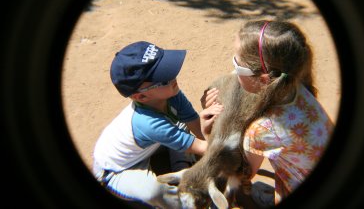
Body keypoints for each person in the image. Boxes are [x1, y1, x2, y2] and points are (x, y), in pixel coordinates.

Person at [203, 20, 334, 206]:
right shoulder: (298, 85)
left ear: (264, 79)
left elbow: (242, 175)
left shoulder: (262, 130)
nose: (233, 71)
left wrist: (208, 132)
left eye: (237, 64)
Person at [92, 41, 223, 208]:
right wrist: (230, 149)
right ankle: (187, 202)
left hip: (148, 146)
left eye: (169, 70)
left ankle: (181, 166)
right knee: (152, 191)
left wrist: (205, 135)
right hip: (115, 170)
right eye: (163, 80)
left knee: (182, 130)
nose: (173, 78)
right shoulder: (148, 123)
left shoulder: (171, 93)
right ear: (141, 97)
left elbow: (193, 122)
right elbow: (201, 146)